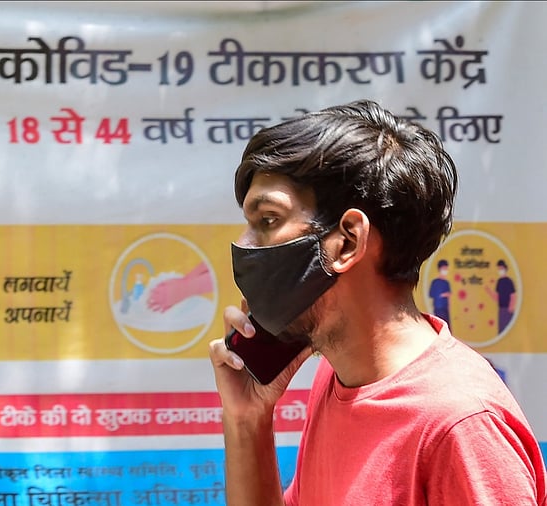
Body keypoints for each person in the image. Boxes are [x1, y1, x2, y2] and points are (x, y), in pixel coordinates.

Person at [208, 100, 546, 505]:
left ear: (348, 240)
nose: (244, 246)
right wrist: (248, 421)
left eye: (267, 220)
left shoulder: (462, 426)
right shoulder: (337, 378)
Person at [485, 259, 517, 334]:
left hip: (508, 310)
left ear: (505, 268)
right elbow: (497, 297)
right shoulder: (499, 282)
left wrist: (511, 307)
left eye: (501, 269)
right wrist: (489, 291)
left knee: (509, 331)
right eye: (499, 269)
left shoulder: (509, 281)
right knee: (501, 330)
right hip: (501, 309)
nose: (500, 270)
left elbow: (513, 295)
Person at [428, 258, 451, 325]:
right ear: (440, 269)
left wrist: (448, 306)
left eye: (446, 269)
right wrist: (443, 294)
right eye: (444, 269)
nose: (445, 271)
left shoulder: (446, 283)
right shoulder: (435, 282)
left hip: (445, 308)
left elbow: (449, 296)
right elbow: (431, 294)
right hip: (438, 308)